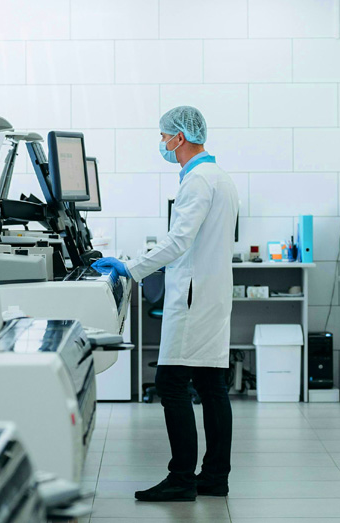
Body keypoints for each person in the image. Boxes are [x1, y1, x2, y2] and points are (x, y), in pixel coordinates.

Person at [93, 106, 239, 502]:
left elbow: (178, 242)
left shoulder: (197, 180)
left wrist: (130, 267)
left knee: (171, 382)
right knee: (211, 384)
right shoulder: (219, 177)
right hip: (210, 293)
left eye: (163, 136)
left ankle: (181, 479)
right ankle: (215, 477)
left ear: (180, 137)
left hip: (193, 297)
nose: (161, 143)